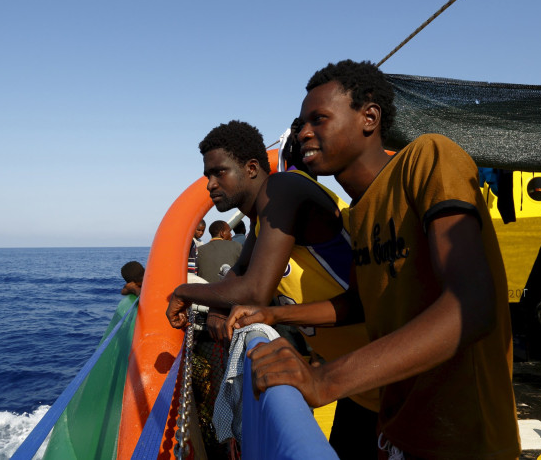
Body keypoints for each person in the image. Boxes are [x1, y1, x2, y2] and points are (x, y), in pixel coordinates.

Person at [231, 60, 520, 459]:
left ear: (369, 118)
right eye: (300, 124)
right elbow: (357, 305)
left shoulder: (428, 158)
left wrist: (324, 379)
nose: (304, 133)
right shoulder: (361, 209)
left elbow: (471, 305)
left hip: (464, 437)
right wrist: (274, 316)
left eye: (319, 119)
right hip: (396, 426)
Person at [165, 119, 379, 458]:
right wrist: (218, 309)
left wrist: (182, 293)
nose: (210, 185)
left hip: (386, 363)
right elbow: (235, 277)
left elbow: (253, 292)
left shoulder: (282, 191)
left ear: (251, 168)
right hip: (359, 378)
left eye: (218, 172)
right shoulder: (260, 219)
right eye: (207, 175)